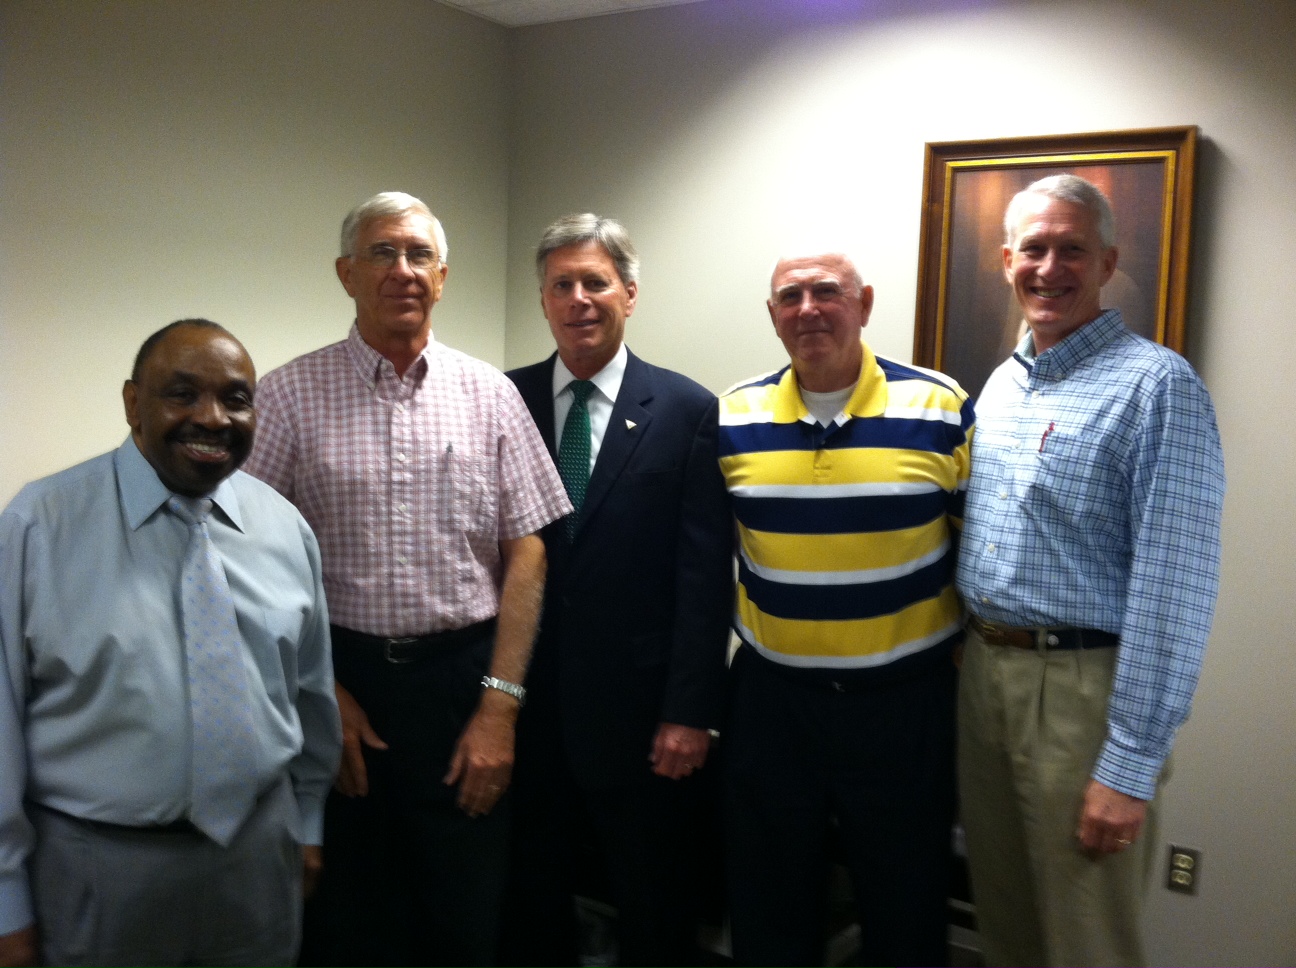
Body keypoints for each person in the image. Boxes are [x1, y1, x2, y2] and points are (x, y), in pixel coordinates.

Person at [243, 191, 570, 968]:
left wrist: (501, 705)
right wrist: (316, 690)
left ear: (443, 276)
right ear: (346, 273)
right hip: (340, 680)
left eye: (419, 255)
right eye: (383, 253)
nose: (403, 271)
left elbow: (528, 551)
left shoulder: (490, 394)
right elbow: (243, 555)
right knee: (350, 918)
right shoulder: (287, 396)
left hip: (463, 686)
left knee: (463, 915)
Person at [0, 319, 342, 968]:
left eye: (236, 398)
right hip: (98, 870)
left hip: (257, 860)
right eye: (181, 394)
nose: (211, 418)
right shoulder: (37, 525)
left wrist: (308, 824)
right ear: (133, 403)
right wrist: (5, 900)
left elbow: (310, 696)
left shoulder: (284, 528)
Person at [956, 174, 1226, 968]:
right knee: (1002, 928)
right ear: (1006, 261)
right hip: (986, 677)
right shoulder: (1002, 385)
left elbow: (1173, 587)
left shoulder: (1158, 386)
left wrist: (1131, 764)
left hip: (1079, 693)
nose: (1050, 267)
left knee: (1086, 941)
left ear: (1107, 261)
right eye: (1033, 249)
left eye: (1072, 249)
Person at [717, 252, 974, 968]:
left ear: (863, 303)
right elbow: (712, 556)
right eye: (789, 297)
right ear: (772, 316)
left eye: (826, 292)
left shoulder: (939, 405)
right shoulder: (734, 413)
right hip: (774, 706)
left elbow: (977, 552)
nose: (808, 309)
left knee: (906, 905)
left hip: (903, 707)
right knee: (769, 907)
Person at [502, 214, 732, 968]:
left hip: (643, 723)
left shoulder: (688, 410)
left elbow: (704, 581)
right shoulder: (506, 402)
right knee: (533, 902)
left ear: (629, 294)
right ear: (542, 301)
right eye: (561, 285)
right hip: (528, 713)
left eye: (595, 282)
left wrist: (689, 713)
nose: (579, 299)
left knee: (652, 907)